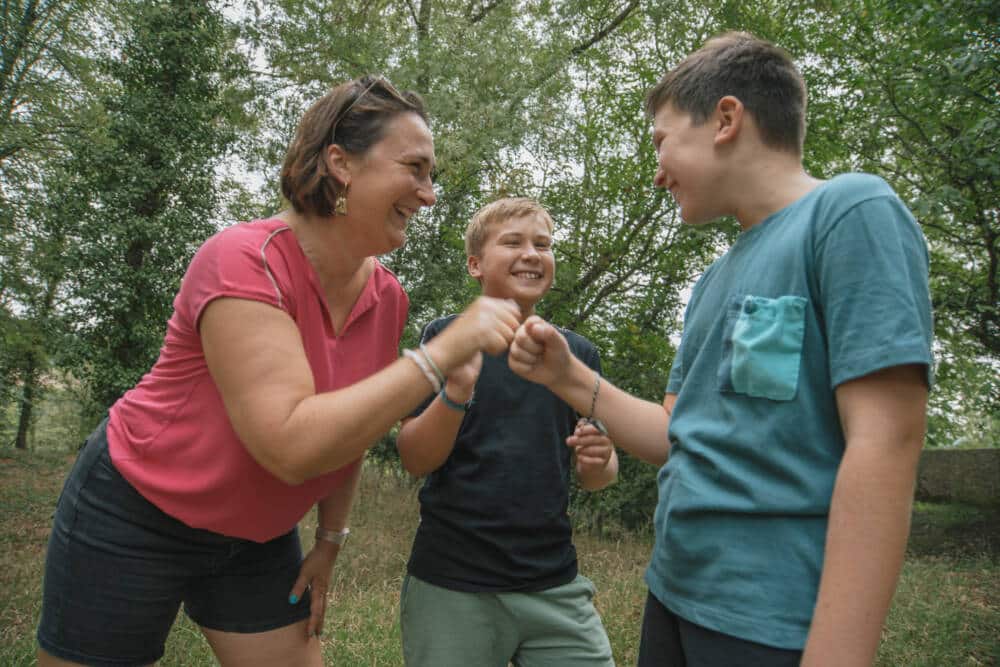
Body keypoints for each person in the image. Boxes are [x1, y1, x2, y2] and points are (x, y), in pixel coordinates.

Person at [36, 75, 522, 667]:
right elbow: (290, 443)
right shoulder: (243, 261)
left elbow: (355, 426)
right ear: (341, 163)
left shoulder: (387, 296)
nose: (429, 194)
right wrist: (437, 357)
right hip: (138, 511)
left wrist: (329, 538)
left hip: (256, 537)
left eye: (431, 176)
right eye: (415, 169)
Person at [508, 33, 933, 667]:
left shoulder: (849, 210)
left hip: (771, 623)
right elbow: (680, 433)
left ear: (726, 120)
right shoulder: (713, 279)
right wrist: (566, 376)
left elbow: (887, 442)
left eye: (662, 141)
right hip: (674, 596)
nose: (657, 171)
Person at [395, 197, 619, 667]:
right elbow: (415, 459)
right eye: (513, 242)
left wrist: (599, 458)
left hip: (554, 583)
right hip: (453, 584)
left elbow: (599, 476)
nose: (533, 253)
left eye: (544, 244)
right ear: (475, 264)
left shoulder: (575, 355)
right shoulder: (444, 336)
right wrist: (456, 391)